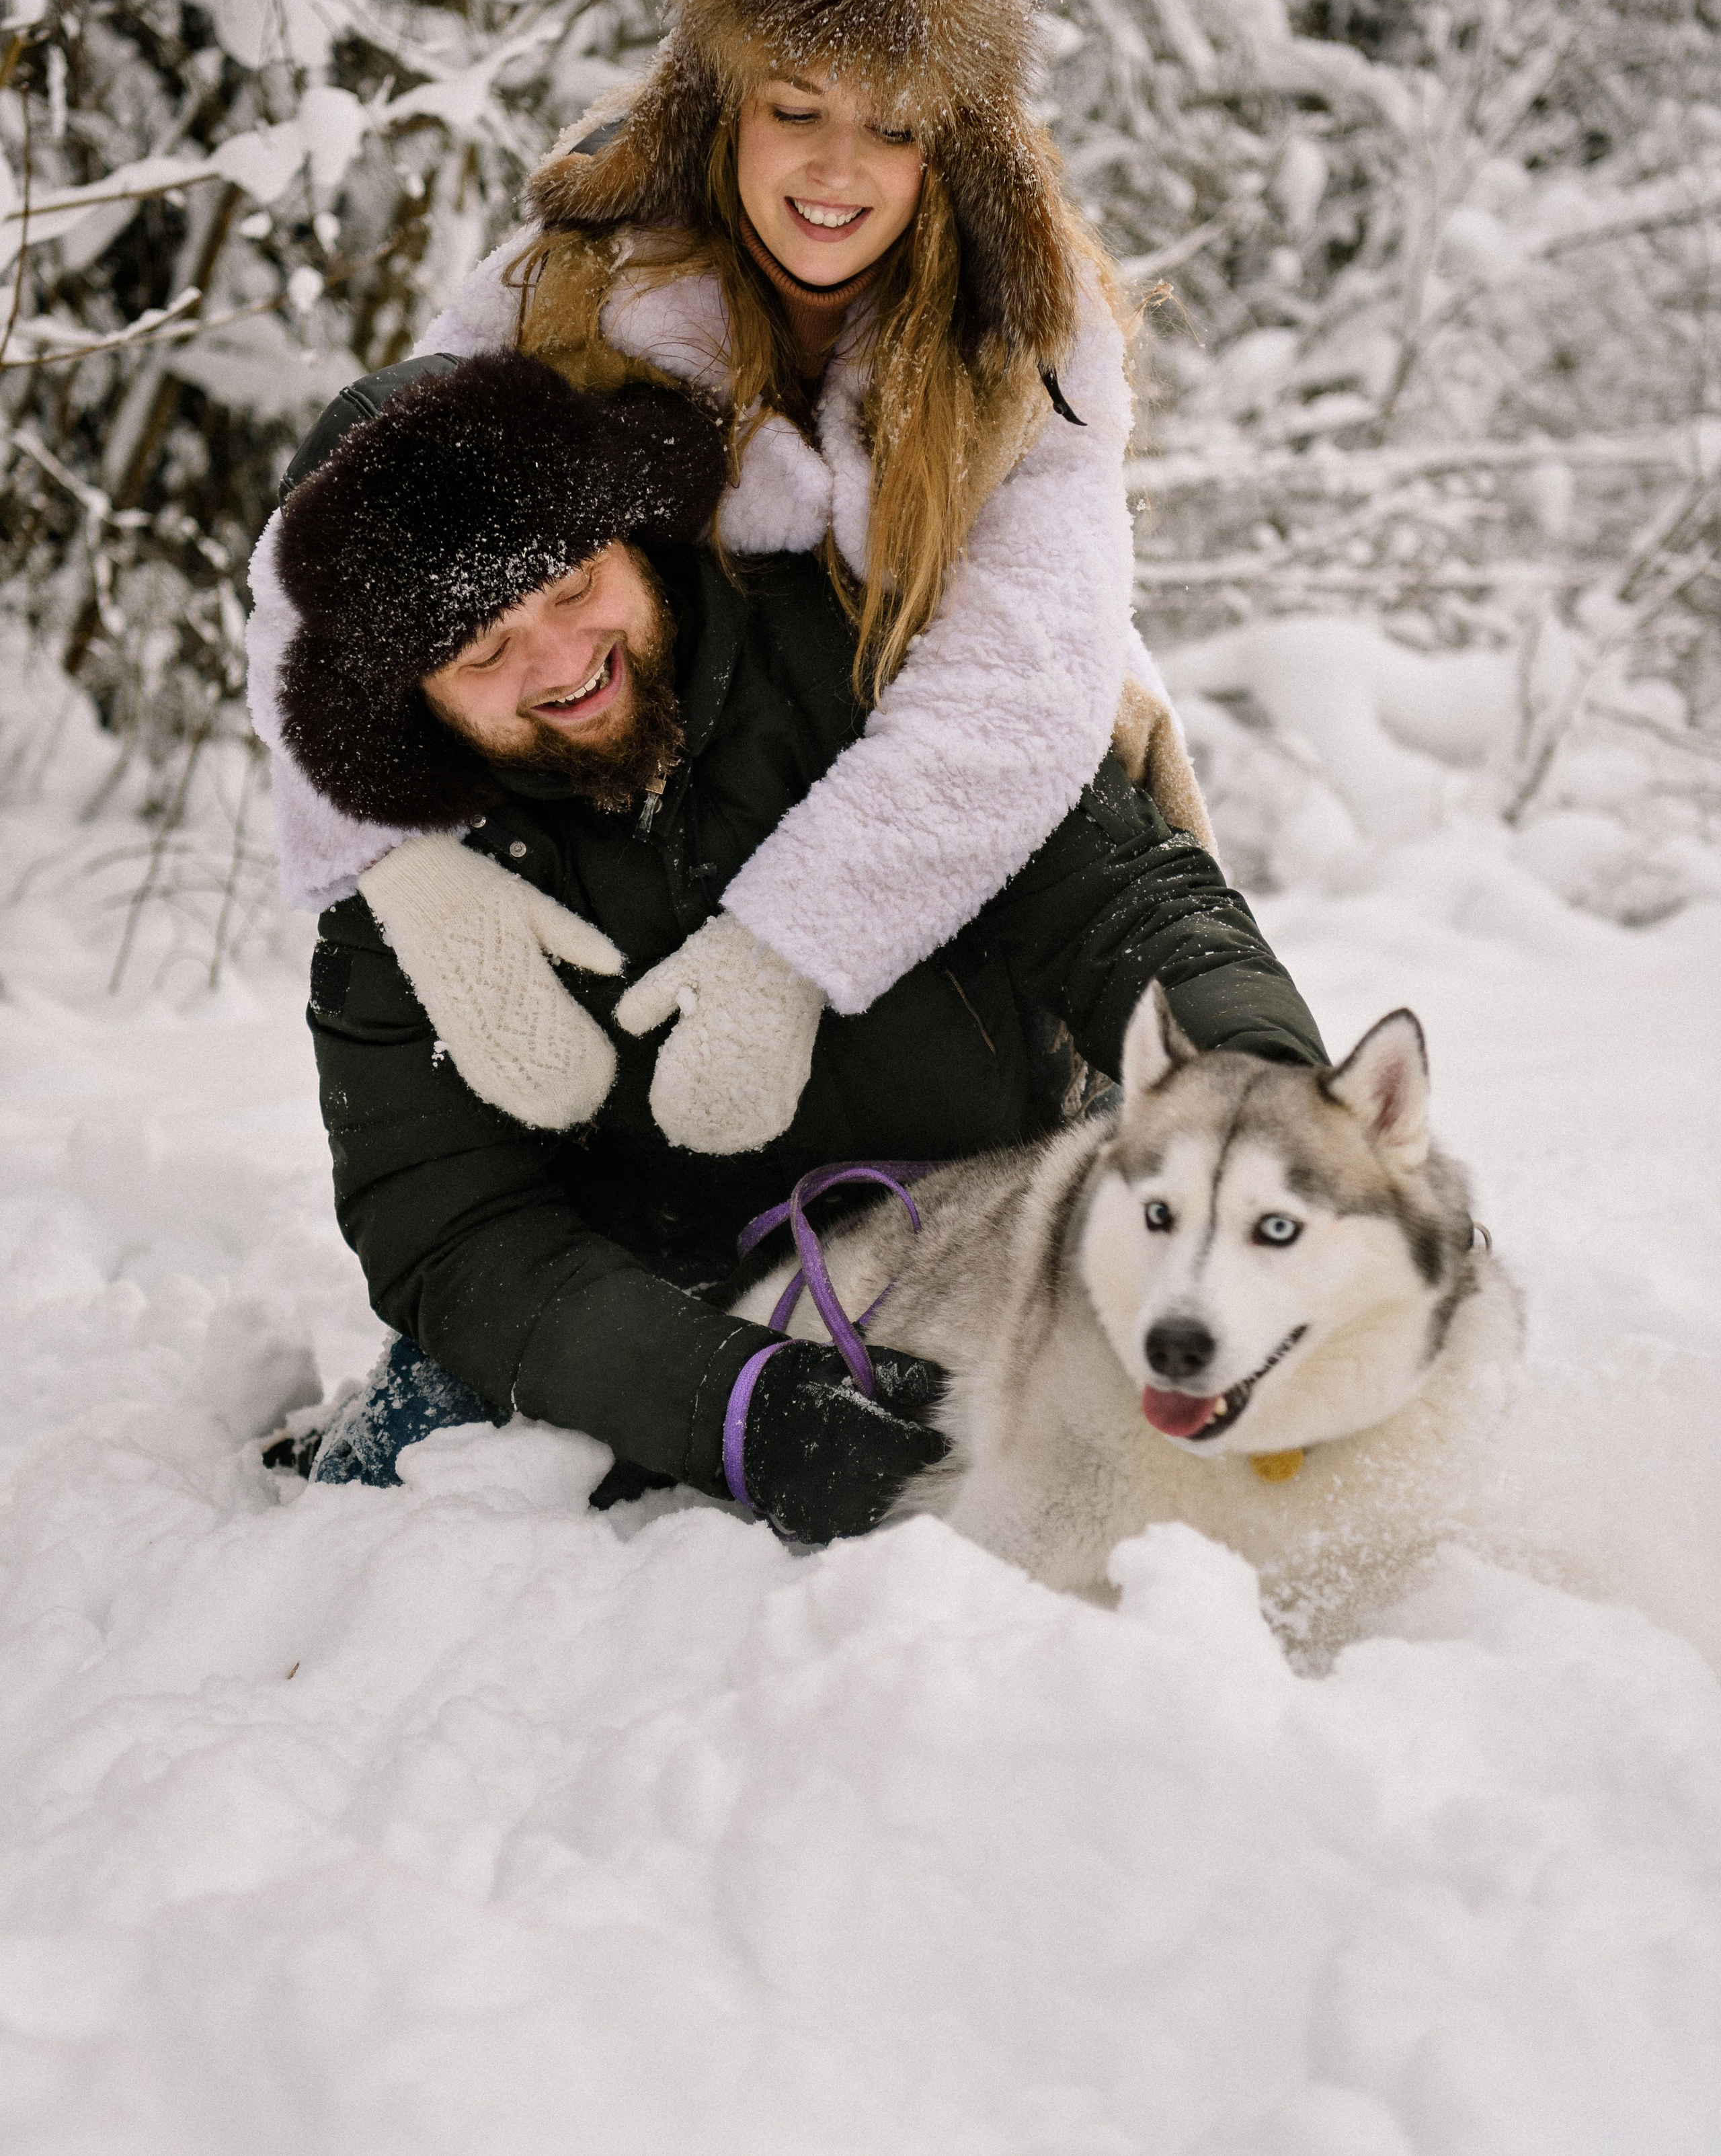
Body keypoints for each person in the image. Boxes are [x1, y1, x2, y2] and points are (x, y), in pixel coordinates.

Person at [247, 0, 1215, 1160]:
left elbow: (1013, 682)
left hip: (936, 727)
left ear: (953, 145)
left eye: (893, 125)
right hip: (653, 747)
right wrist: (399, 867)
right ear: (725, 102)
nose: (836, 168)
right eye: (797, 107)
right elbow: (347, 536)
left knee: (1105, 755)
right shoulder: (579, 276)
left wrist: (786, 947)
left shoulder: (1025, 332)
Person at [268, 352, 1326, 1542]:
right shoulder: (398, 895)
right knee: (432, 1493)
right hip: (648, 1303)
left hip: (977, 1218)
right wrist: (737, 1405)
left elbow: (1125, 905)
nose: (559, 664)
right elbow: (448, 1228)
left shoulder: (871, 658)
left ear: (631, 532)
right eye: (481, 650)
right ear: (409, 695)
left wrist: (1284, 1117)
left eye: (570, 588)